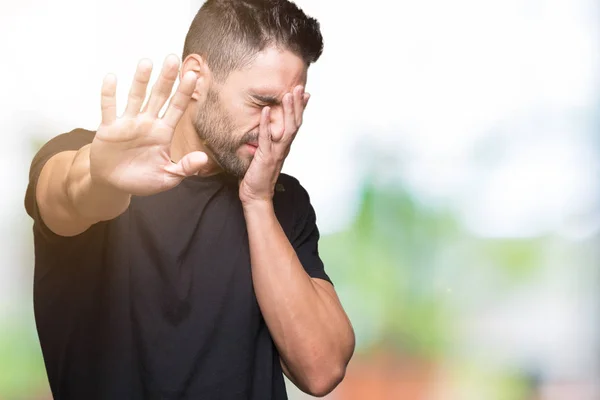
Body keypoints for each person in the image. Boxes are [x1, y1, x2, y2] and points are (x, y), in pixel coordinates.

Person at [23, 0, 355, 399]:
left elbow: (322, 369)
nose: (281, 127)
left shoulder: (282, 200)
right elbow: (71, 194)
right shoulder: (91, 161)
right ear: (196, 78)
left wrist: (257, 201)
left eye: (289, 108)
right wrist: (101, 177)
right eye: (262, 103)